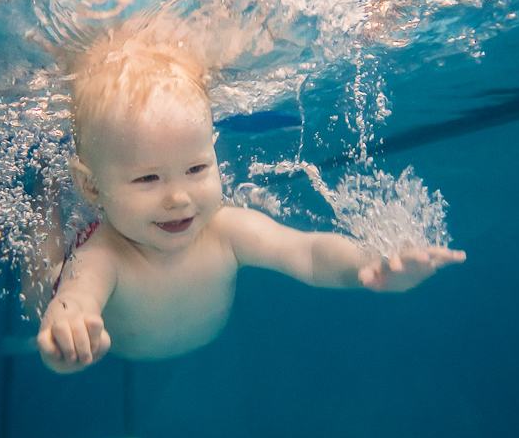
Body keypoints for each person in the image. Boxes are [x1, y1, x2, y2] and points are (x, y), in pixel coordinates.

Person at [33, 20, 465, 374]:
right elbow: (78, 297)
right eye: (148, 179)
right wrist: (65, 334)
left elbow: (307, 252)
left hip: (176, 349)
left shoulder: (225, 229)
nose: (179, 198)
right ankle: (42, 190)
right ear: (92, 188)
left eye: (197, 168)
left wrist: (370, 266)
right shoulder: (104, 255)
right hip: (122, 352)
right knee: (43, 272)